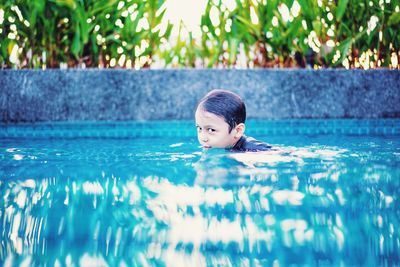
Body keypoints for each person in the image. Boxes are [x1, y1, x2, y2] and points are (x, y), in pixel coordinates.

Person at [195, 89, 273, 152]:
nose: (203, 138)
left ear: (238, 131)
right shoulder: (225, 146)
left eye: (211, 130)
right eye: (199, 128)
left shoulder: (256, 151)